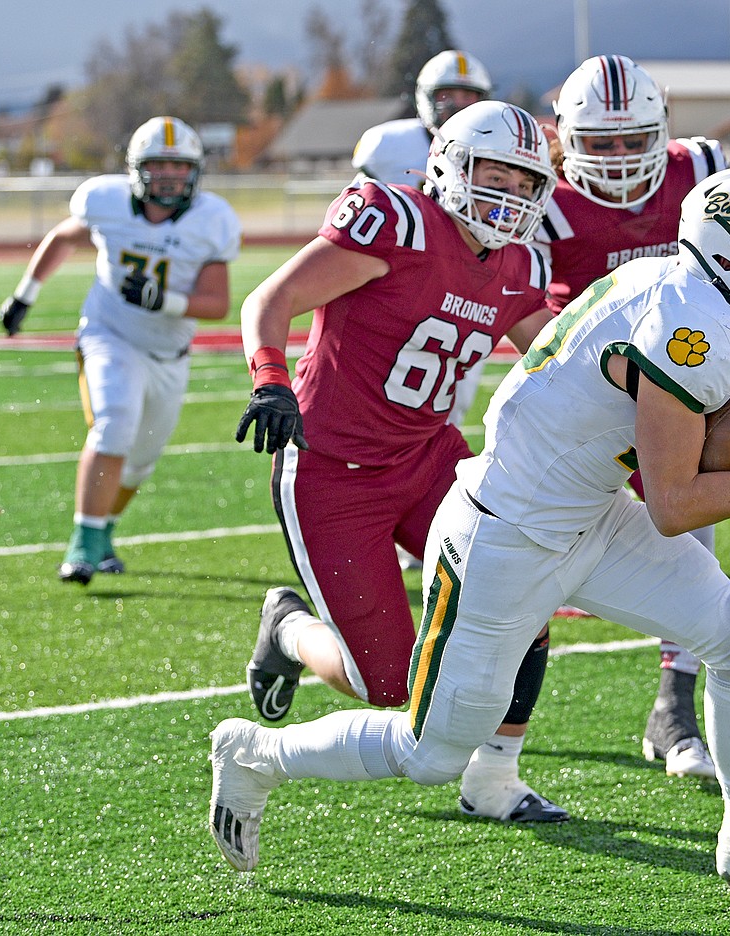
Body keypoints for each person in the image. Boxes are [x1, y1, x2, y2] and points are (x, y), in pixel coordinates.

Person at [209, 165, 730, 892]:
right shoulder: (692, 321)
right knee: (429, 755)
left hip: (587, 512)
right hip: (507, 535)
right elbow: (675, 505)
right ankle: (252, 755)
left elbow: (682, 439)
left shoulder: (683, 287)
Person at [232, 100, 567, 824]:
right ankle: (288, 628)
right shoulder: (397, 222)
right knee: (389, 682)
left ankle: (496, 778)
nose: (507, 200)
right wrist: (269, 377)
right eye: (494, 177)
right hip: (332, 472)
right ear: (449, 164)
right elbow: (274, 297)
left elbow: (562, 358)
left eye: (523, 185)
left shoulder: (518, 264)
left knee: (528, 593)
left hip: (428, 459)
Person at [538, 54, 729, 781]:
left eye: (633, 140)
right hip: (575, 404)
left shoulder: (703, 170)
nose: (619, 160)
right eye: (601, 143)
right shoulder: (544, 201)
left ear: (664, 129)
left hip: (676, 392)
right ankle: (495, 735)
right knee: (533, 559)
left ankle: (673, 707)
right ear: (565, 138)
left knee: (693, 544)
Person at [0, 116, 241, 584]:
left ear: (195, 171)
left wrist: (161, 299)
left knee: (142, 460)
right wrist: (25, 293)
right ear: (135, 168)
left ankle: (103, 530)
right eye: (158, 164)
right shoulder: (105, 201)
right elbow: (65, 237)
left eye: (178, 164)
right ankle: (83, 543)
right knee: (113, 425)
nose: (169, 174)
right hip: (109, 336)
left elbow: (218, 303)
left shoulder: (213, 219)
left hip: (169, 353)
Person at [351, 49, 494, 444]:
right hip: (394, 285)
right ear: (425, 97)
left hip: (464, 291)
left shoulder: (499, 150)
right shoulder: (388, 145)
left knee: (447, 408)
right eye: (448, 93)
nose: (459, 105)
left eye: (470, 96)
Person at [351, 49, 491, 188]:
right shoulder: (386, 143)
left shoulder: (497, 146)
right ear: (426, 98)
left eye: (467, 97)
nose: (458, 106)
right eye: (447, 96)